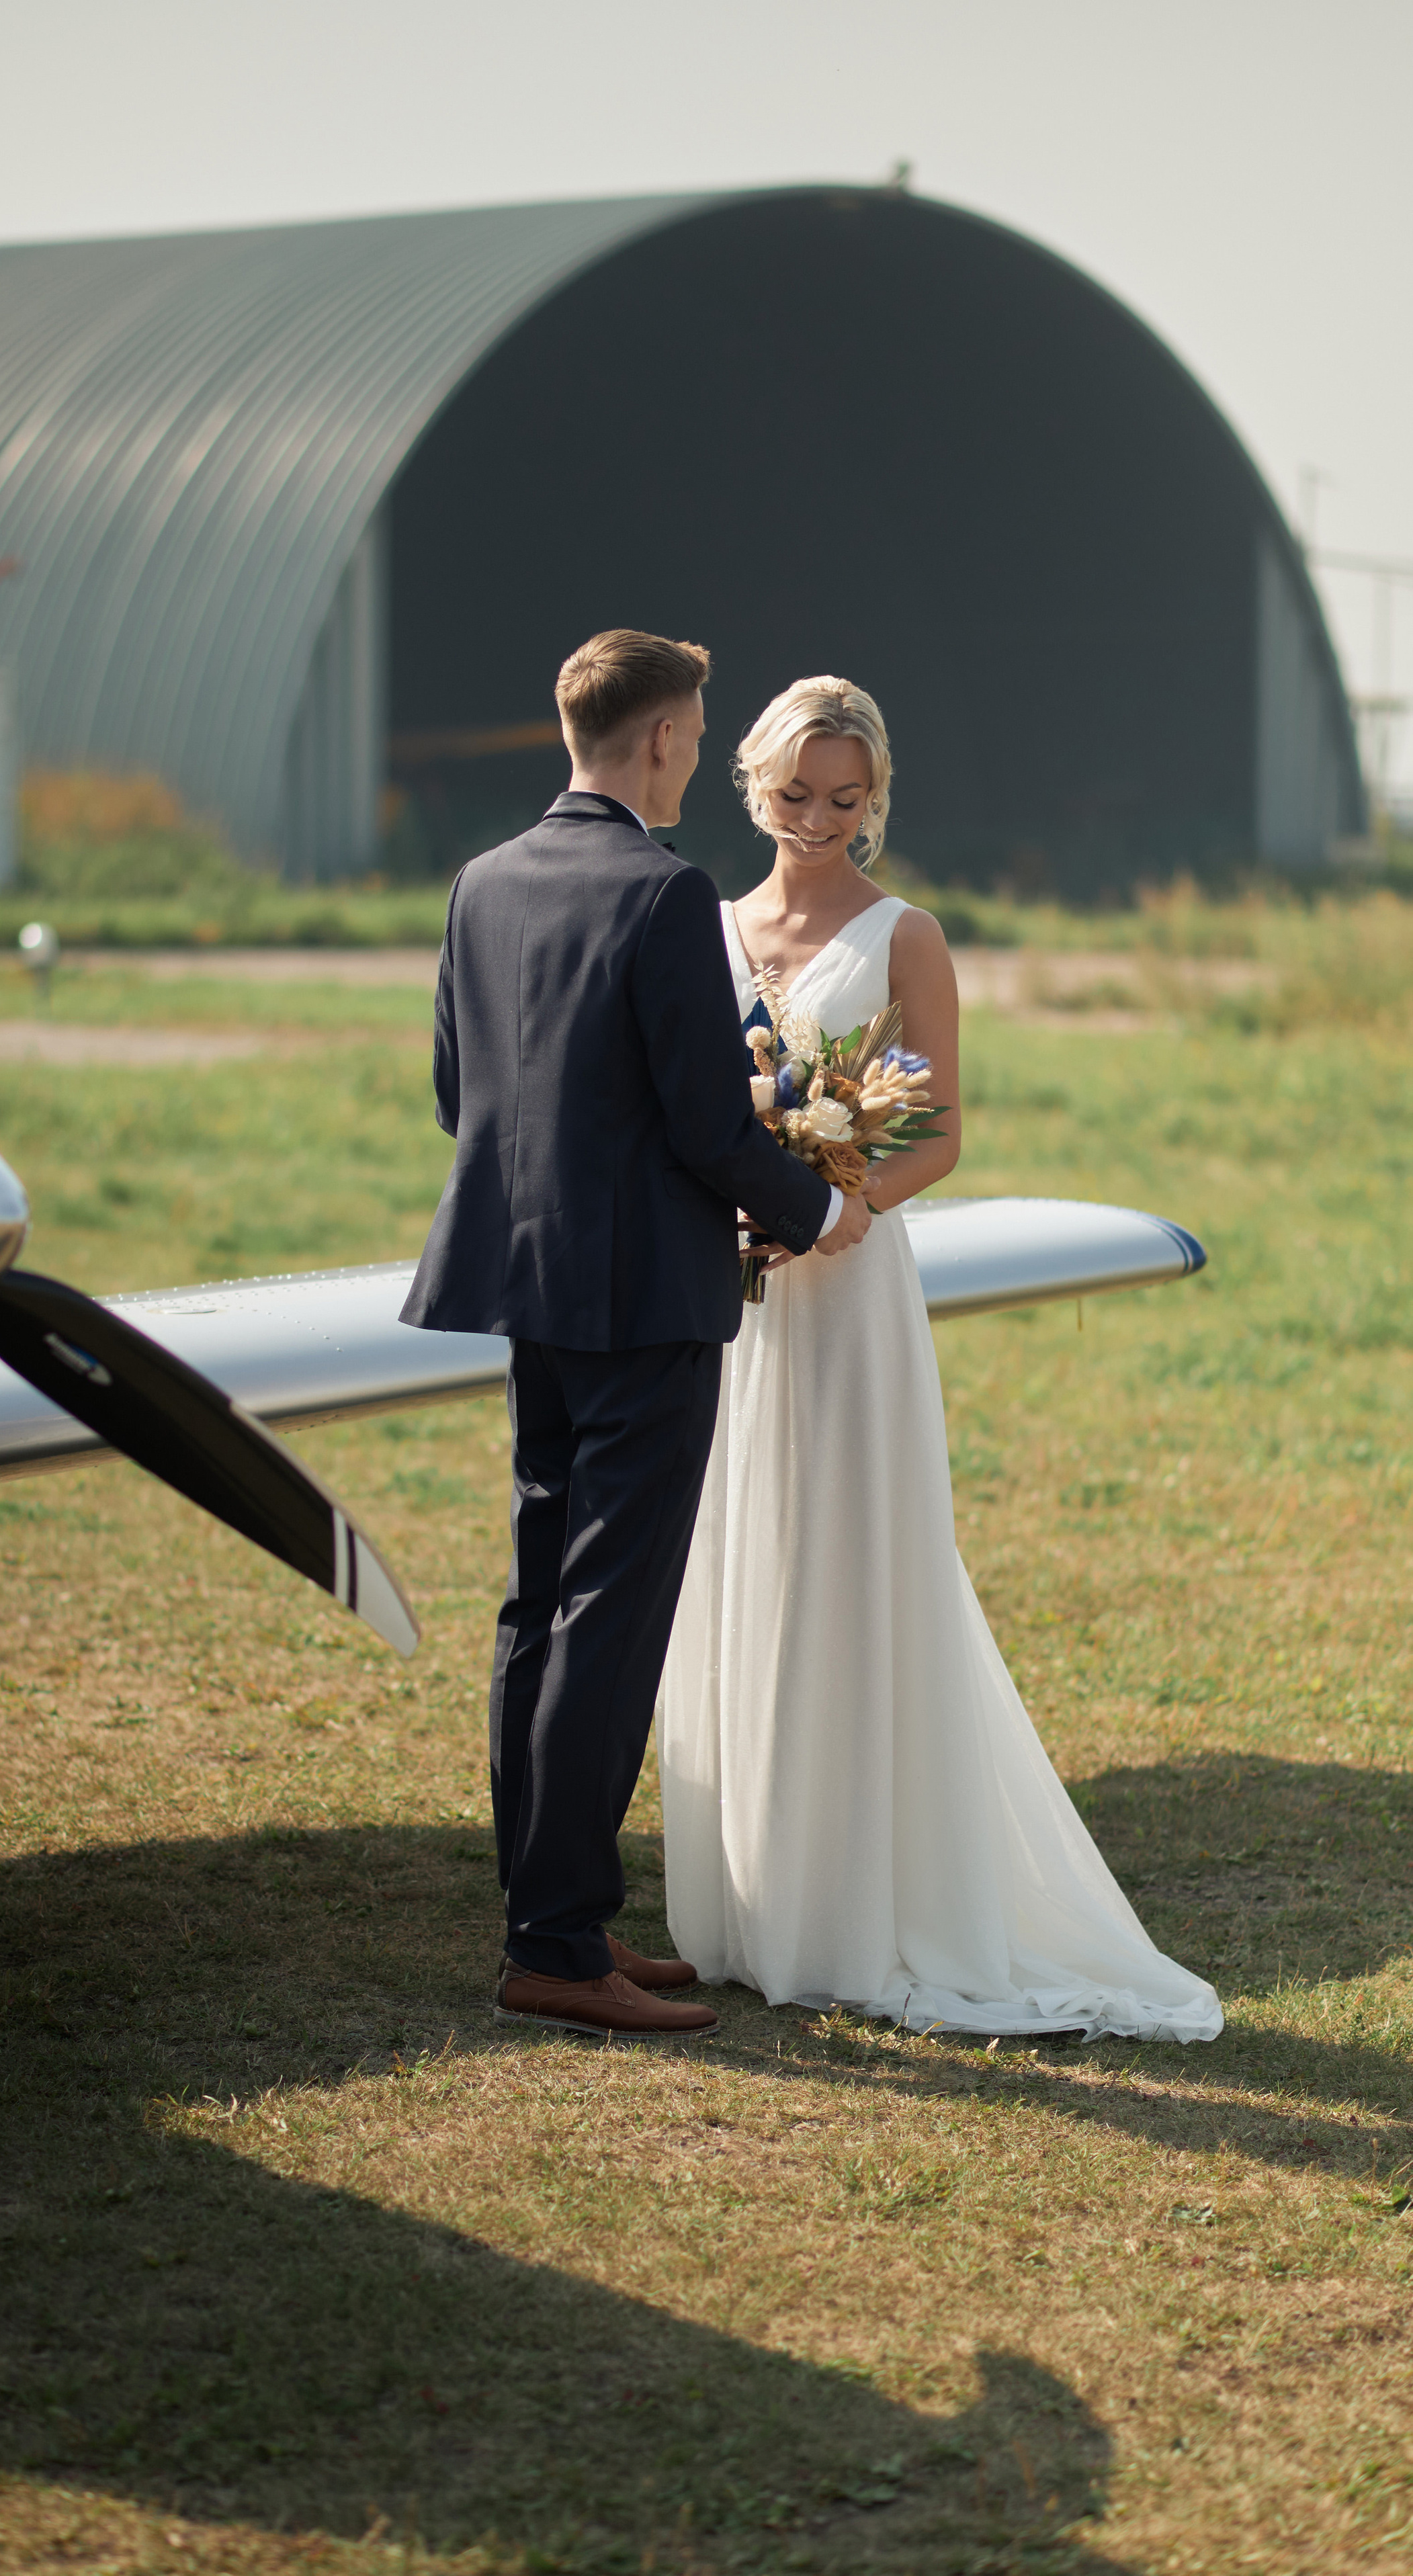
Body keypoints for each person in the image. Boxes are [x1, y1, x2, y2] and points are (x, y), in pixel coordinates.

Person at [656, 675, 1222, 2043]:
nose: (818, 825)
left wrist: (836, 1206)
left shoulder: (908, 935)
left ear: (876, 801)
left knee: (853, 1559)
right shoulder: (707, 928)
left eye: (845, 802)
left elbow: (940, 1131)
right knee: (736, 1555)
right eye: (795, 797)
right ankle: (748, 1899)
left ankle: (858, 1901)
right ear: (751, 787)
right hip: (731, 1299)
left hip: (848, 1292)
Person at [401, 631, 858, 2038]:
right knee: (609, 1606)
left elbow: (451, 1092)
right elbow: (707, 1121)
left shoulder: (483, 880)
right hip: (648, 1302)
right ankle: (554, 1942)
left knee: (540, 1593)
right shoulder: (662, 897)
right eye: (698, 729)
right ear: (662, 740)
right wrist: (820, 1208)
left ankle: (553, 1915)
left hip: (522, 1286)